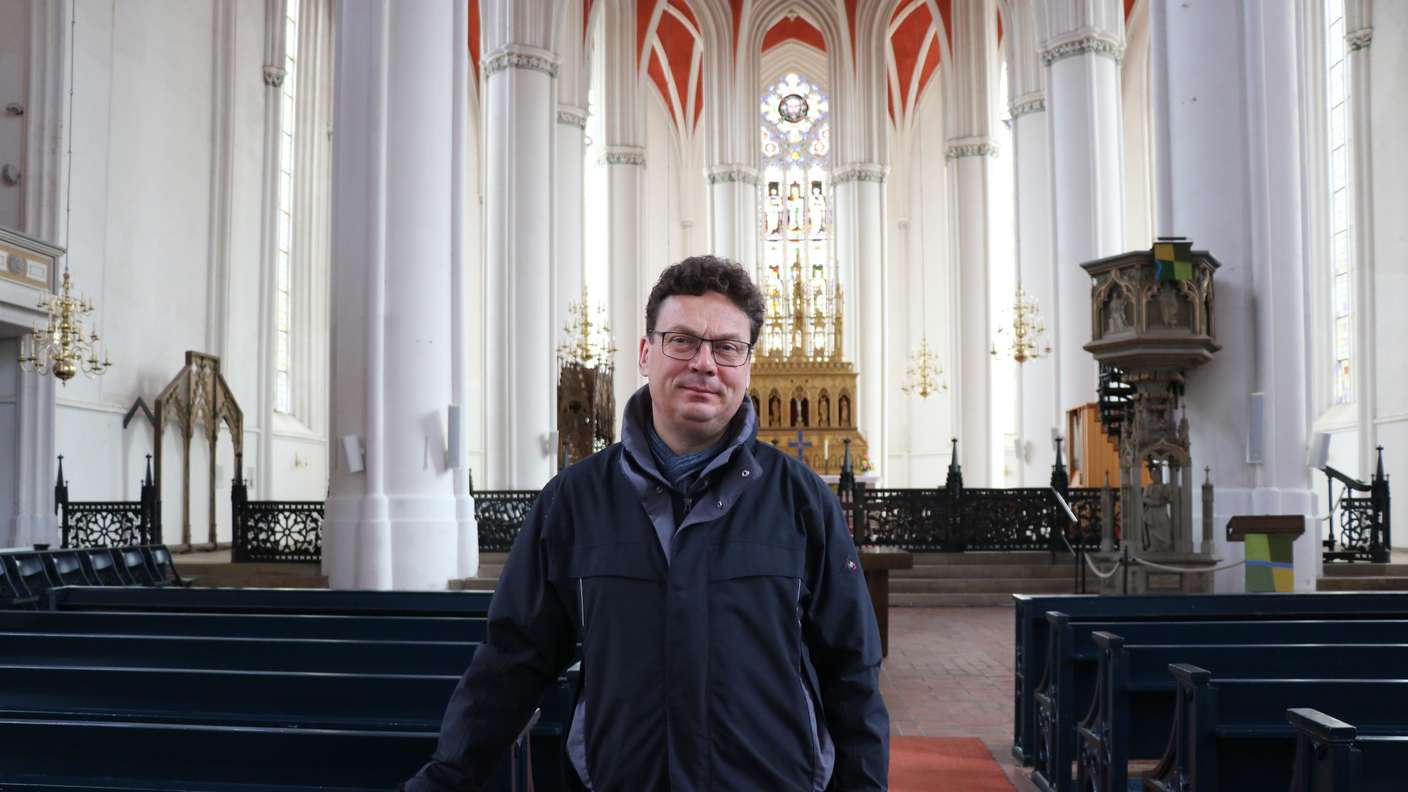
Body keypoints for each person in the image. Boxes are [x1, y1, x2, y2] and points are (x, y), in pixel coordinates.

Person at [403, 255, 889, 791]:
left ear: (748, 365)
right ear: (644, 353)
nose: (704, 363)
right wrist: (445, 780)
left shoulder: (801, 499)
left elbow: (852, 673)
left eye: (727, 347)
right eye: (682, 341)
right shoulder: (574, 500)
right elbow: (511, 662)